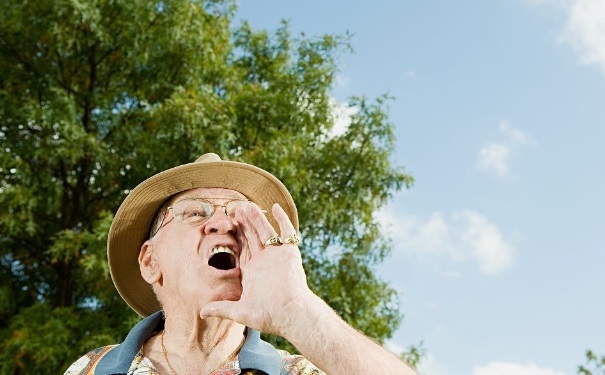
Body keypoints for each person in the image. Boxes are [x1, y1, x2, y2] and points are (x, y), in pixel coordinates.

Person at [64, 153, 417, 375]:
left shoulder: (299, 372)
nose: (224, 224)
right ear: (150, 260)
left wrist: (297, 309)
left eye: (239, 214)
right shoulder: (92, 369)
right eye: (194, 212)